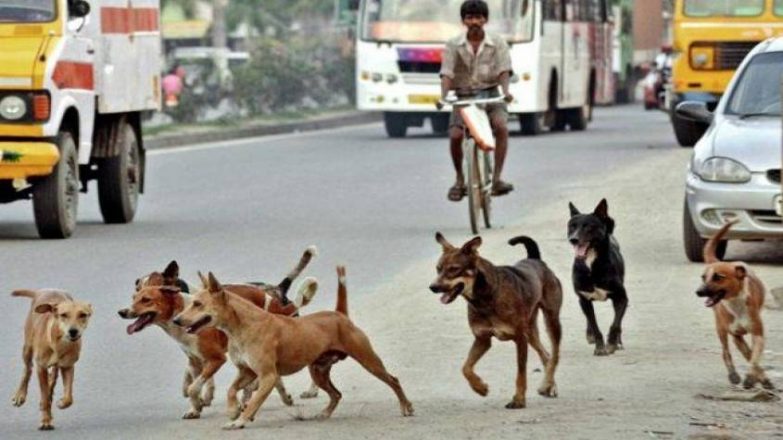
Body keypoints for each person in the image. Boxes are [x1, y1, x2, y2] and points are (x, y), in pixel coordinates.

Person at [439, 0, 514, 202]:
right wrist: (443, 95)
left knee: (501, 127)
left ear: (485, 20)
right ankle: (459, 179)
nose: (474, 22)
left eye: (478, 18)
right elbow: (447, 72)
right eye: (469, 18)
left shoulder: (497, 43)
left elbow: (504, 70)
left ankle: (497, 178)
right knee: (455, 135)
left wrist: (506, 92)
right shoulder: (453, 45)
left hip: (491, 94)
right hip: (464, 97)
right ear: (463, 21)